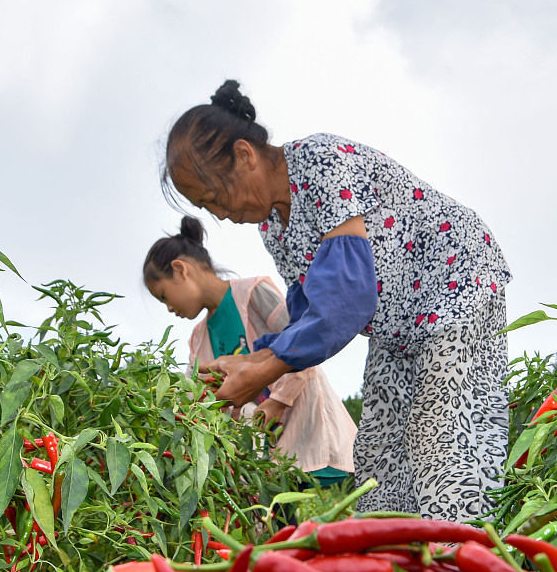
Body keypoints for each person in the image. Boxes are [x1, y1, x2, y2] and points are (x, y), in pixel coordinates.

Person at [160, 79, 511, 520]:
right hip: (398, 330)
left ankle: (469, 566)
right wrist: (250, 363)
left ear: (245, 155)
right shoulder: (275, 227)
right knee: (380, 458)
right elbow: (310, 317)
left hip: (455, 284)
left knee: (442, 442)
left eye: (215, 197)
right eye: (207, 208)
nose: (222, 215)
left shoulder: (318, 162)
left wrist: (263, 371)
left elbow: (348, 297)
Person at [144, 216, 356, 488]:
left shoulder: (254, 293)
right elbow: (194, 393)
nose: (169, 308)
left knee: (292, 507)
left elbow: (303, 343)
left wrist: (277, 400)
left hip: (303, 424)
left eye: (164, 296)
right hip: (260, 452)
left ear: (180, 269)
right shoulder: (198, 339)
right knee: (274, 513)